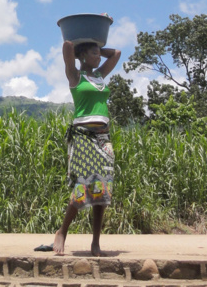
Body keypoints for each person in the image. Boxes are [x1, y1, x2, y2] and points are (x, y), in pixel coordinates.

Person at [53, 39, 121, 256]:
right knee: (83, 185)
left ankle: (96, 242)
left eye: (99, 52)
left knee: (102, 188)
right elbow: (66, 46)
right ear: (82, 55)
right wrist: (81, 41)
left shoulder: (100, 75)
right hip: (83, 136)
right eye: (94, 53)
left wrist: (96, 46)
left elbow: (116, 53)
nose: (99, 56)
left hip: (103, 137)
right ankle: (62, 232)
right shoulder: (75, 76)